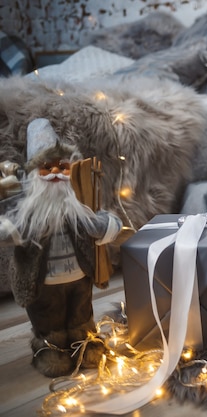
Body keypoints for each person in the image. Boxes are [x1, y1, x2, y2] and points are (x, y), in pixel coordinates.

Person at [0, 118, 122, 377]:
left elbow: (100, 223)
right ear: (35, 174)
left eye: (62, 167)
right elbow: (10, 230)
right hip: (43, 283)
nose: (56, 173)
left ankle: (84, 342)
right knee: (48, 318)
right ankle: (50, 348)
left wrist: (108, 225)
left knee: (81, 313)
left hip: (79, 278)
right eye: (47, 168)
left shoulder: (77, 208)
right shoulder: (28, 215)